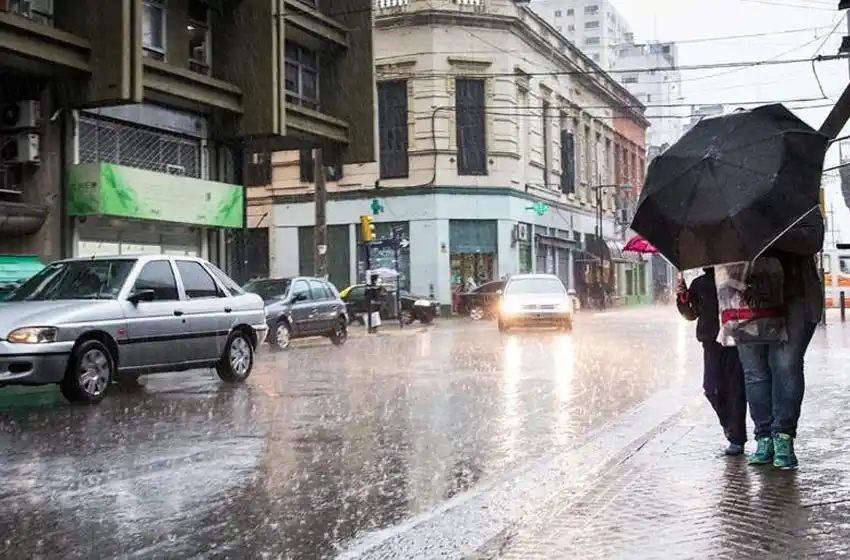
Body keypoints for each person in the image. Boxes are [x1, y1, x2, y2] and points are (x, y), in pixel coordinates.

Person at [735, 210, 824, 469]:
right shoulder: (731, 206)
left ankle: (783, 435)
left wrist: (768, 233)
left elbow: (812, 239)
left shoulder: (798, 200)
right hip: (747, 297)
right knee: (755, 372)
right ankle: (764, 437)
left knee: (785, 365)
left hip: (795, 297)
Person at [677, 268, 748, 456]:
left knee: (736, 390)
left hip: (735, 340)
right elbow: (690, 314)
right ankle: (728, 424)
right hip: (711, 342)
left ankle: (736, 438)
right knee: (711, 389)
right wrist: (683, 297)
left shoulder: (736, 279)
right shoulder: (700, 283)